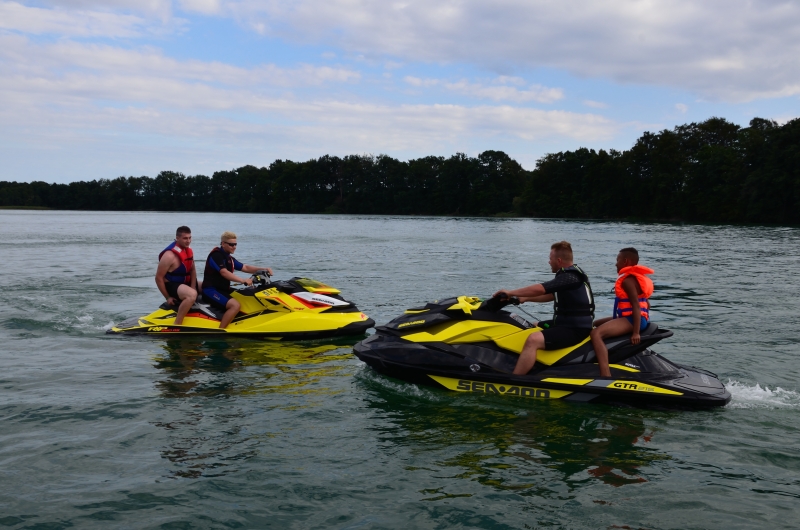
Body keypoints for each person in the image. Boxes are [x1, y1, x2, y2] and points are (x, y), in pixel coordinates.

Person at [494, 241, 595, 375]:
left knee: (533, 339)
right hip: (565, 323)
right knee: (531, 325)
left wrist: (511, 292)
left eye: (550, 259)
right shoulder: (571, 275)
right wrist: (525, 298)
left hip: (575, 329)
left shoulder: (570, 277)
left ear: (559, 260)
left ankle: (515, 377)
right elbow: (551, 295)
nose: (549, 262)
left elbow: (541, 289)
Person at [590, 247, 654, 377]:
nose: (616, 264)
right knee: (595, 323)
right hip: (635, 318)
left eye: (617, 260)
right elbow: (647, 304)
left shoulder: (627, 281)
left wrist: (636, 332)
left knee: (596, 334)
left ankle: (605, 374)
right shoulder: (637, 278)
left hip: (633, 320)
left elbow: (636, 306)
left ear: (625, 261)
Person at [202, 231, 273, 329]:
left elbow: (245, 267)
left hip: (223, 289)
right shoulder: (216, 256)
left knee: (245, 297)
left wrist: (263, 269)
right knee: (235, 306)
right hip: (211, 290)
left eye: (235, 244)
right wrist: (242, 280)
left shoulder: (229, 258)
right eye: (231, 244)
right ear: (223, 243)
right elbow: (224, 272)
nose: (234, 247)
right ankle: (220, 331)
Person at [156, 226, 198, 325]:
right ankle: (178, 323)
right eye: (185, 238)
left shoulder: (188, 250)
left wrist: (193, 286)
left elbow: (192, 270)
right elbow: (158, 278)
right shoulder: (169, 255)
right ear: (177, 238)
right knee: (192, 295)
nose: (188, 241)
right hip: (172, 285)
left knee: (207, 285)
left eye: (190, 238)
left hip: (185, 283)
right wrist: (167, 297)